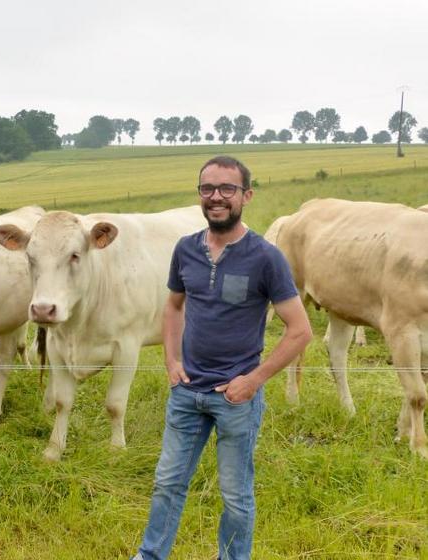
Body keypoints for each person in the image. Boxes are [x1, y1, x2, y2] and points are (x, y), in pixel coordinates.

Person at [132, 156, 312, 560]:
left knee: (235, 495)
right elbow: (174, 306)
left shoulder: (265, 257)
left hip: (236, 399)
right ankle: (150, 555)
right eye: (207, 189)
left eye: (227, 189)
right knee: (167, 484)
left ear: (246, 195)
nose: (216, 197)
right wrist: (171, 362)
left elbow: (300, 330)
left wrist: (254, 380)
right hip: (186, 393)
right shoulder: (186, 249)